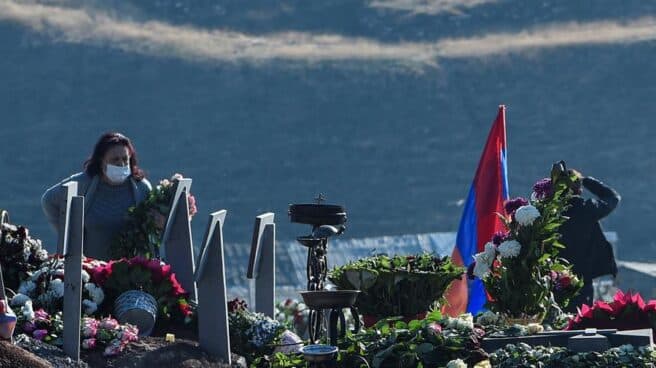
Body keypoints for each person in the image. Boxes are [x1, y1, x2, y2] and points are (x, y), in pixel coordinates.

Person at [42, 132, 152, 260]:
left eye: (125, 159)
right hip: (91, 271)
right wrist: (70, 237)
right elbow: (48, 200)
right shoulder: (82, 183)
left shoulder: (142, 189)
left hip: (131, 271)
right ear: (101, 160)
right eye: (115, 160)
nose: (121, 164)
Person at [558, 168, 620, 311]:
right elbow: (612, 198)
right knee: (580, 320)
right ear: (579, 190)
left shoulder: (548, 213)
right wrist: (587, 181)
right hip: (582, 278)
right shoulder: (587, 209)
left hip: (553, 279)